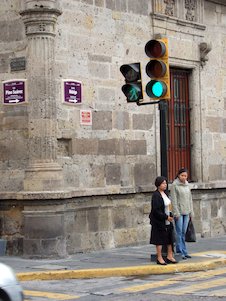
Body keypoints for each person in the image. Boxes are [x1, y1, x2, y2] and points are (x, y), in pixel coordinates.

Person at [149, 176, 177, 265]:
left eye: (165, 183)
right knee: (159, 240)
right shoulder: (156, 195)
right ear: (158, 184)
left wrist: (171, 215)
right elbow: (156, 210)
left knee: (169, 239)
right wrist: (165, 217)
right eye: (163, 183)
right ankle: (159, 257)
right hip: (159, 221)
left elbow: (169, 205)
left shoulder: (166, 194)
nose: (165, 185)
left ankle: (170, 255)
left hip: (168, 219)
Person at [170, 168, 194, 260]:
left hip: (187, 211)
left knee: (184, 232)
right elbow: (174, 200)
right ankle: (179, 251)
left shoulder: (187, 185)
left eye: (185, 176)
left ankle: (185, 251)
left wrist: (191, 211)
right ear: (178, 175)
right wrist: (176, 213)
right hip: (179, 213)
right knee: (179, 232)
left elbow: (190, 199)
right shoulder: (174, 185)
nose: (184, 177)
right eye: (182, 175)